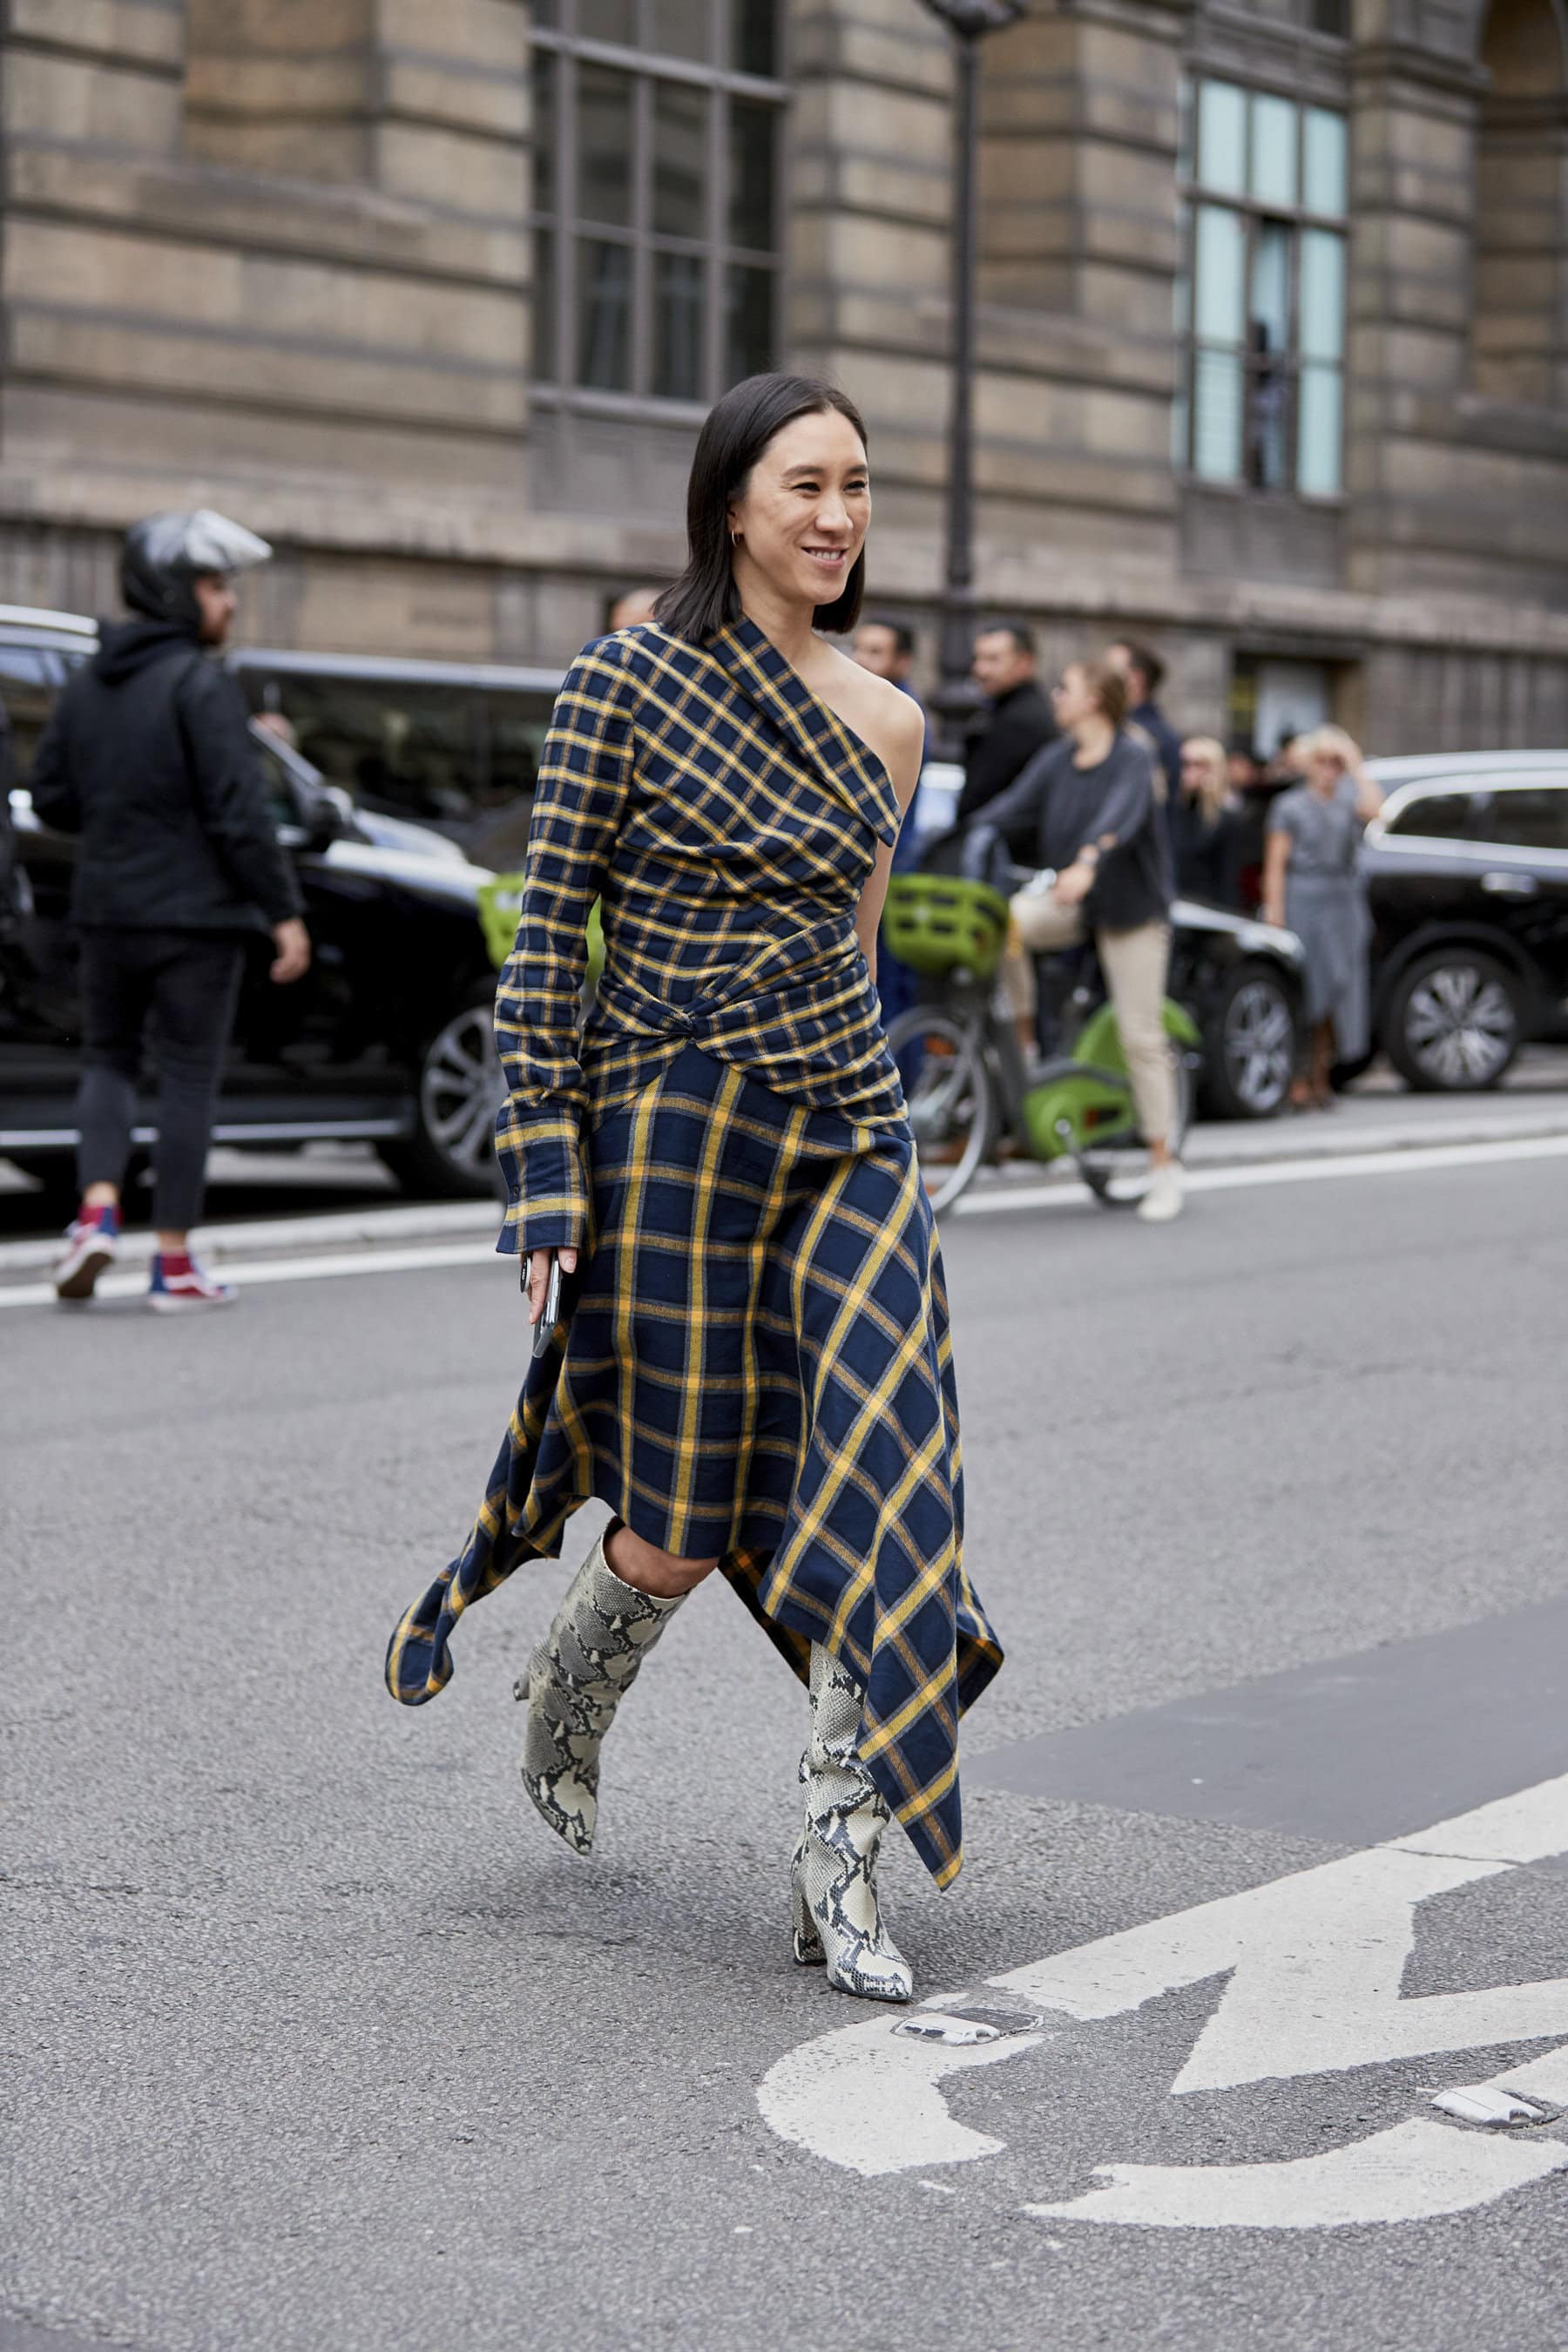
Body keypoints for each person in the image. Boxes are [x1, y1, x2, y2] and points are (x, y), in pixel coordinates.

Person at [384, 374, 1002, 2004]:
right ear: (731, 501)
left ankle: (841, 1858)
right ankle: (571, 1689)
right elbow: (546, 952)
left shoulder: (889, 718)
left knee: (892, 1482)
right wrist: (544, 1185)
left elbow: (858, 954)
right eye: (806, 482)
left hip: (848, 1128)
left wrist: (884, 1116)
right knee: (685, 1510)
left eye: (858, 485)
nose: (837, 514)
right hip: (672, 1124)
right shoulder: (624, 683)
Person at [31, 510, 312, 1308]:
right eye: (216, 586)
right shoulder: (199, 682)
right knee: (188, 1077)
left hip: (106, 907)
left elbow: (51, 796)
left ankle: (95, 1216)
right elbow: (240, 811)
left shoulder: (87, 684)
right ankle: (174, 1263)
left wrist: (120, 817)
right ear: (175, 593)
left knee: (108, 1060)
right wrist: (282, 912)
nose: (228, 603)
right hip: (197, 919)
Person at [981, 656, 1184, 1224]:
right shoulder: (1057, 759)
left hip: (1131, 908)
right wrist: (948, 835)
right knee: (1004, 924)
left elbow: (1123, 814)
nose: (1055, 695)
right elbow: (1008, 810)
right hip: (1074, 901)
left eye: (1064, 687)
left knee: (1141, 1033)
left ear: (1095, 700)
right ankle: (1024, 1043)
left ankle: (1164, 1166)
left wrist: (1091, 859)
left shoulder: (1132, 757)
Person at [1261, 725, 1382, 1110]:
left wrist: (1356, 763)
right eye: (1323, 760)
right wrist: (1275, 915)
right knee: (1307, 991)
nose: (1330, 769)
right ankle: (1297, 1078)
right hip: (1304, 899)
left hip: (1343, 901)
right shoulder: (1290, 805)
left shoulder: (1348, 799)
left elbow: (1376, 808)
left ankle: (1321, 1076)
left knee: (1338, 991)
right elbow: (1275, 865)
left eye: (1336, 762)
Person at [852, 614, 929, 1040]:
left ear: (903, 662)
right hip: (882, 864)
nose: (862, 659)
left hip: (891, 870)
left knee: (890, 993)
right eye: (860, 648)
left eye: (876, 651)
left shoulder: (901, 719)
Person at [956, 618, 1056, 821]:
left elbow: (981, 797)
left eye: (993, 659)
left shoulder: (1022, 721)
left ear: (1024, 662)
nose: (980, 670)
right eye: (978, 659)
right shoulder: (1002, 708)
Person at [1107, 639, 1182, 806]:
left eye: (1111, 672)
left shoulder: (1156, 738)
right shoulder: (1116, 727)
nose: (1103, 679)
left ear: (1136, 679)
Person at [1172, 734, 1244, 908]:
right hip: (1174, 903)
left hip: (1208, 907)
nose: (1190, 771)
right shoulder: (1174, 809)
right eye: (1185, 763)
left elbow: (1229, 877)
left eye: (1199, 764)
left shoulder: (1227, 817)